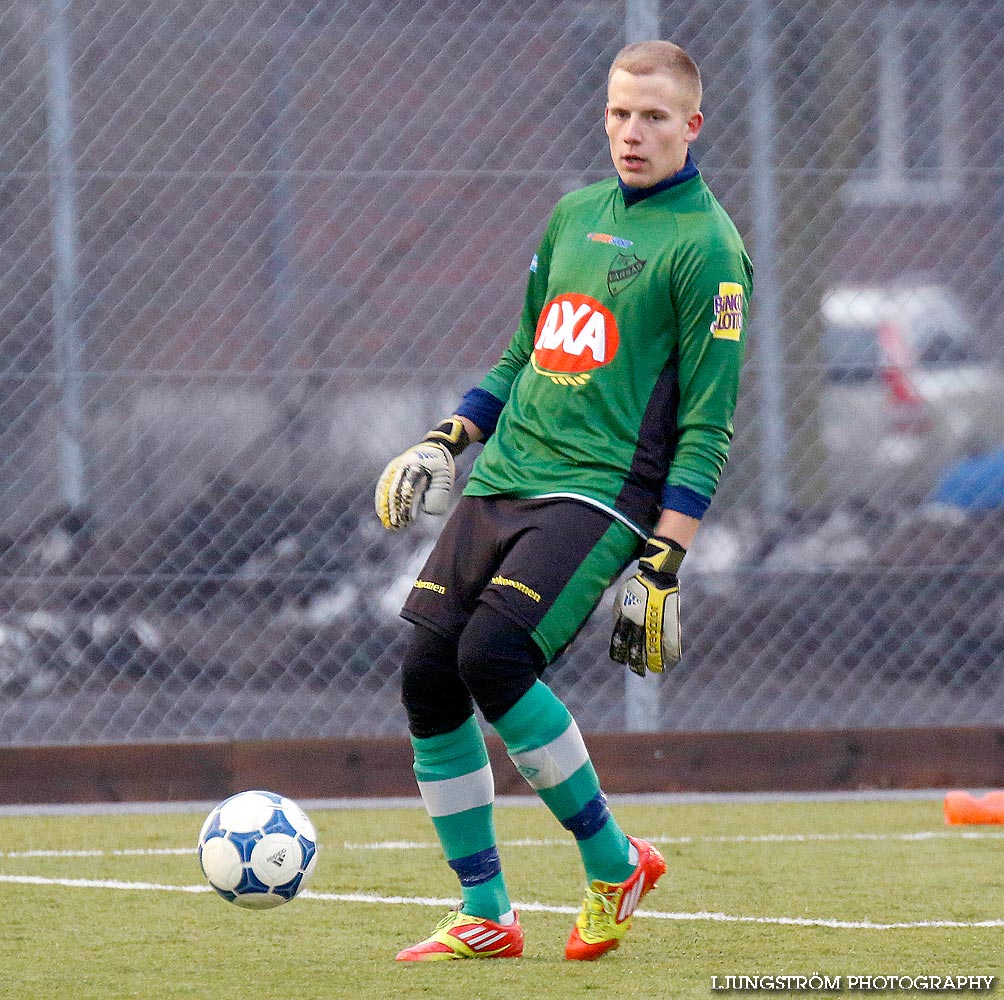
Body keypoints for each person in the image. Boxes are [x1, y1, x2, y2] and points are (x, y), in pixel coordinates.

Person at [375, 38, 752, 962]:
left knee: (493, 656)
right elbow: (522, 356)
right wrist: (449, 435)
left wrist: (666, 559)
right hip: (506, 477)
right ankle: (489, 911)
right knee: (428, 674)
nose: (632, 132)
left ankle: (614, 862)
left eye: (655, 117)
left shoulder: (710, 250)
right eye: (620, 113)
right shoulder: (573, 215)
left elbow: (708, 426)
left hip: (603, 495)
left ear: (692, 126)